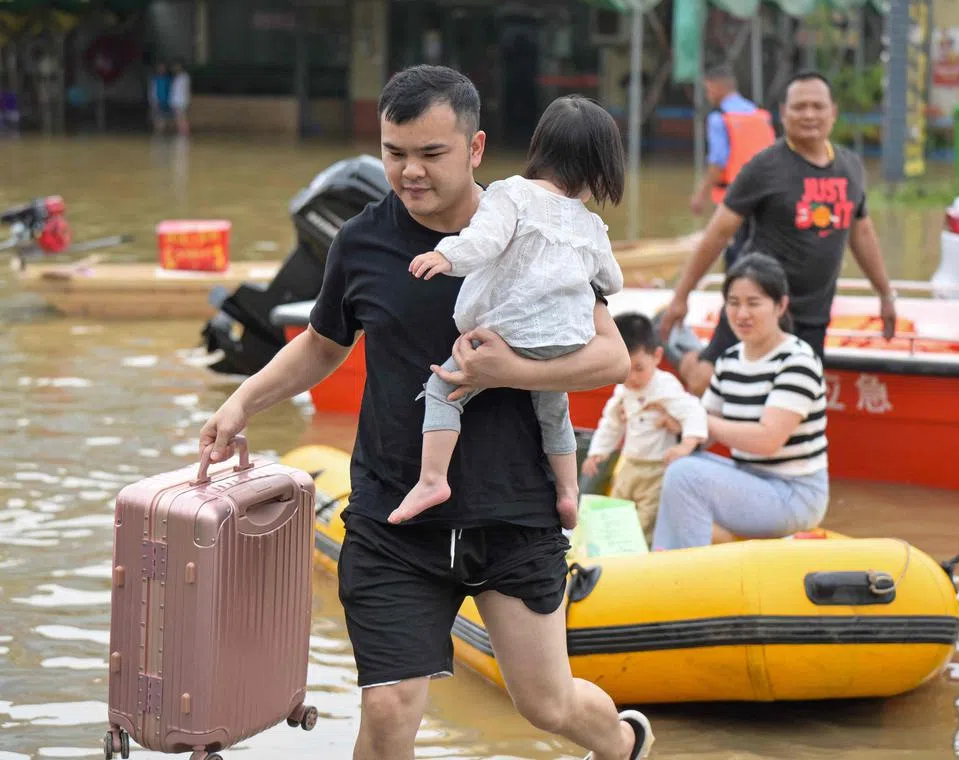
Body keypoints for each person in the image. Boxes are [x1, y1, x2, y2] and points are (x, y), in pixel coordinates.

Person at [197, 65, 653, 760]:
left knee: (545, 702)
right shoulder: (361, 242)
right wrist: (240, 402)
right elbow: (323, 346)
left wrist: (516, 372)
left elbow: (611, 358)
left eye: (430, 155)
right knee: (388, 708)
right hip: (394, 514)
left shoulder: (534, 226)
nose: (409, 172)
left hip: (513, 509)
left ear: (474, 148)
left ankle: (622, 743)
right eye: (394, 152)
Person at [389, 95, 626, 530]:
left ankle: (432, 479)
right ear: (599, 168)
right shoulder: (591, 225)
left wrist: (447, 256)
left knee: (443, 390)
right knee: (554, 409)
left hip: (507, 334)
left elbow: (484, 241)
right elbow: (611, 281)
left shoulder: (512, 193)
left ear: (540, 148)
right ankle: (569, 492)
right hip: (565, 341)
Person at [660, 71, 896, 396]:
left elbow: (863, 233)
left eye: (818, 106)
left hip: (813, 313)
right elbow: (717, 233)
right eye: (799, 107)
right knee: (706, 382)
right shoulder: (764, 167)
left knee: (797, 399)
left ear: (833, 112)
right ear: (784, 114)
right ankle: (685, 355)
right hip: (756, 305)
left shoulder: (850, 167)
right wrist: (680, 297)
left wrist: (885, 294)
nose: (809, 115)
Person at [652, 253, 829, 551]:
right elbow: (702, 430)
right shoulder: (730, 359)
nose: (742, 313)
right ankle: (670, 559)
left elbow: (768, 440)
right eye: (733, 303)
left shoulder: (797, 361)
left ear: (780, 305)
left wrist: (702, 421)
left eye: (753, 303)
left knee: (686, 475)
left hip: (795, 494)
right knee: (672, 462)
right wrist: (677, 423)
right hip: (750, 480)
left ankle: (684, 576)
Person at [582, 313, 708, 543]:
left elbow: (692, 410)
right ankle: (615, 548)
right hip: (630, 463)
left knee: (647, 518)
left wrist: (687, 444)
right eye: (625, 368)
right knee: (618, 507)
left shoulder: (665, 385)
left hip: (656, 467)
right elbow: (611, 423)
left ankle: (640, 554)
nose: (632, 377)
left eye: (639, 368)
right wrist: (597, 452)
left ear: (657, 356)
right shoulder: (623, 390)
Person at [689, 64, 776, 217]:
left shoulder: (720, 118)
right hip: (765, 195)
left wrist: (701, 195)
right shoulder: (761, 115)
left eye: (708, 90)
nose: (708, 96)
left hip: (733, 198)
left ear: (717, 87)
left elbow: (718, 162)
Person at [169, 61, 191, 137]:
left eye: (177, 66)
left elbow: (185, 90)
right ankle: (181, 132)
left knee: (182, 118)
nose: (175, 68)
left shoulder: (185, 77)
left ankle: (184, 133)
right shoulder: (176, 77)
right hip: (176, 101)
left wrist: (186, 101)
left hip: (182, 101)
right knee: (178, 118)